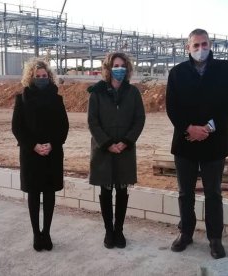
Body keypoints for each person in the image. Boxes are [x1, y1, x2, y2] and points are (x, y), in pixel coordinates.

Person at [166, 28, 228, 259]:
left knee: (213, 193)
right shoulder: (177, 73)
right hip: (186, 141)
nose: (201, 49)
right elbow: (172, 107)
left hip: (214, 142)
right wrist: (189, 128)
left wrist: (208, 127)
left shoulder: (226, 70)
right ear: (188, 48)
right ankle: (186, 233)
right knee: (184, 193)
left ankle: (215, 238)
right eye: (196, 45)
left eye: (204, 44)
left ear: (211, 45)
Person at [87, 52, 146, 249]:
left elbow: (139, 120)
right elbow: (92, 121)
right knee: (106, 189)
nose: (119, 69)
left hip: (125, 150)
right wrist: (107, 143)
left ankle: (119, 230)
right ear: (108, 68)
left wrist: (126, 142)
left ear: (127, 68)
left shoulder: (133, 92)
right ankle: (108, 231)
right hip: (104, 149)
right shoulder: (97, 92)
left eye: (122, 65)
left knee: (122, 189)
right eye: (115, 65)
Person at [12, 58, 69, 251]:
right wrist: (34, 146)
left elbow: (63, 127)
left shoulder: (57, 99)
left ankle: (47, 233)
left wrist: (52, 144)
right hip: (31, 154)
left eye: (44, 76)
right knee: (34, 196)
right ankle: (37, 234)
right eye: (38, 76)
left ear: (49, 77)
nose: (41, 79)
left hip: (52, 155)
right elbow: (17, 128)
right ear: (31, 77)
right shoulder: (22, 98)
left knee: (50, 194)